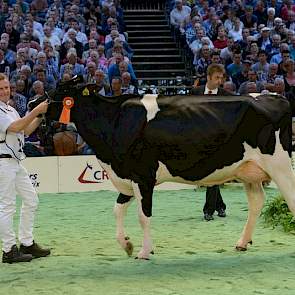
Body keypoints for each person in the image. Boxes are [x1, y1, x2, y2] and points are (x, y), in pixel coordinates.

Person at [0, 73, 50, 263]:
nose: (5, 91)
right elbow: (16, 126)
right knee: (7, 207)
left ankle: (26, 243)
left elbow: (25, 130)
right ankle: (8, 250)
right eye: (1, 89)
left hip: (15, 161)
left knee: (31, 200)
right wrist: (36, 111)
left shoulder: (9, 109)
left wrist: (42, 115)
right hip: (3, 162)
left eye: (6, 87)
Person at [191, 63, 232, 221]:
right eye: (216, 78)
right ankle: (220, 206)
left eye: (221, 78)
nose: (219, 81)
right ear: (208, 77)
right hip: (199, 139)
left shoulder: (225, 95)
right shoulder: (195, 92)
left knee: (212, 173)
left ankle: (208, 210)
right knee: (210, 173)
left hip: (218, 140)